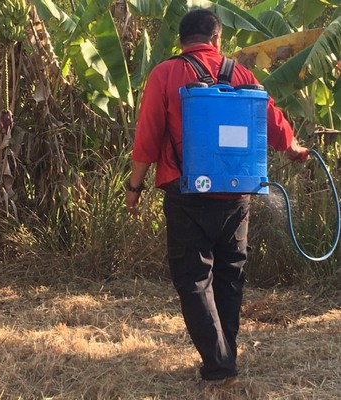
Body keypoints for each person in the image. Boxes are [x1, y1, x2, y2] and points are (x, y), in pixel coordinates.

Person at [125, 9, 309, 385]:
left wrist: (134, 188)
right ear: (217, 40)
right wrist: (294, 148)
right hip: (237, 195)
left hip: (187, 192)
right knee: (229, 276)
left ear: (181, 41)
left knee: (194, 279)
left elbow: (147, 139)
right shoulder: (242, 75)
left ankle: (220, 363)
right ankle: (224, 357)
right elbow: (274, 124)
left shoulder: (165, 74)